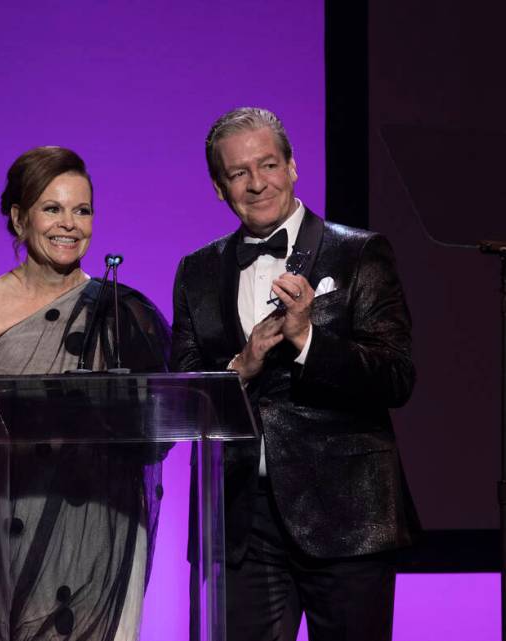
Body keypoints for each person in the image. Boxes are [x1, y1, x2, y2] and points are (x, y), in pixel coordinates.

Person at [171, 108, 419, 641]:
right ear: (220, 188)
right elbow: (183, 395)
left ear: (293, 166)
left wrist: (308, 340)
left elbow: (396, 376)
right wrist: (242, 368)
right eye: (239, 173)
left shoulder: (358, 253)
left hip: (347, 515)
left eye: (268, 165)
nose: (257, 183)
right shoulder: (197, 270)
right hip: (240, 520)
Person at [0, 146, 171, 641]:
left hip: (100, 529)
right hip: (12, 525)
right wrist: (53, 409)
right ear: (19, 219)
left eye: (82, 210)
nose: (70, 224)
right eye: (52, 208)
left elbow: (158, 432)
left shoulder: (123, 312)